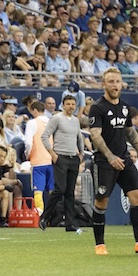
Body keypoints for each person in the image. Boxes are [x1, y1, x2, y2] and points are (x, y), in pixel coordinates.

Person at [89, 68, 138, 256]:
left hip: (124, 159)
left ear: (122, 84)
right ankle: (100, 245)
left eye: (117, 81)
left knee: (137, 197)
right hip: (104, 162)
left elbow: (130, 133)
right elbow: (95, 135)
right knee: (102, 201)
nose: (114, 85)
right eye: (110, 82)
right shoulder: (97, 107)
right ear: (104, 84)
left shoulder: (125, 107)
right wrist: (110, 157)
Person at [39, 95, 85, 233]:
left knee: (70, 192)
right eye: (68, 104)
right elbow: (44, 136)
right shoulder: (57, 118)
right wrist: (52, 154)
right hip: (61, 157)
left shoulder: (76, 120)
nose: (71, 106)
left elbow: (79, 137)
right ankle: (44, 217)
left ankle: (70, 223)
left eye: (73, 104)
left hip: (73, 158)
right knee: (60, 189)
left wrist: (81, 153)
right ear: (63, 105)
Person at [24, 100, 54, 214]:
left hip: (38, 161)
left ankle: (39, 214)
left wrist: (28, 154)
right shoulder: (51, 122)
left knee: (38, 190)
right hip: (51, 160)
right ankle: (54, 215)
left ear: (35, 110)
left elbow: (28, 143)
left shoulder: (32, 123)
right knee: (52, 189)